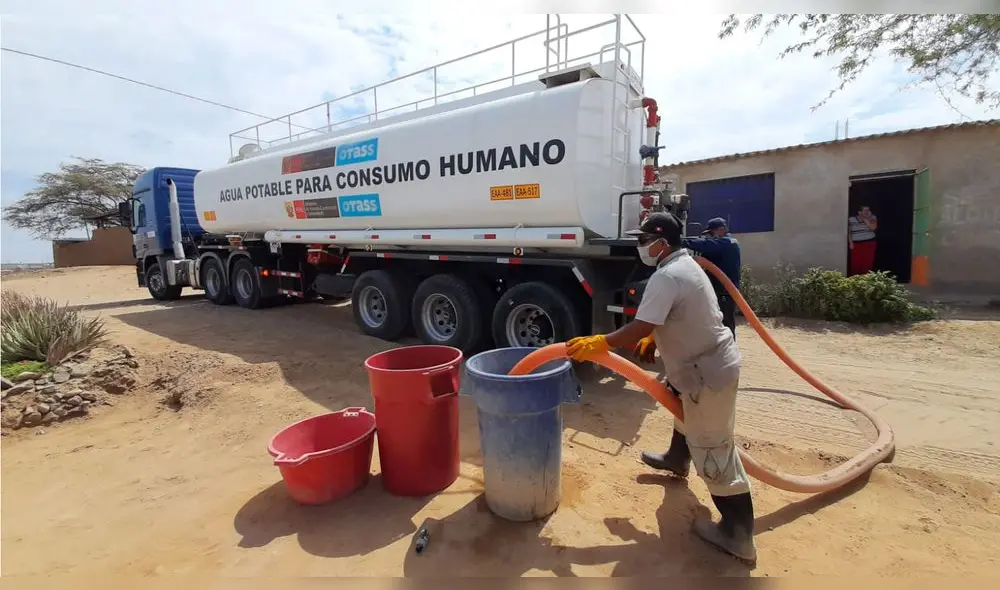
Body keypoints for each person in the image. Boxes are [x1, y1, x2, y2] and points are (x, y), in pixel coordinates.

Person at [564, 212, 756, 564]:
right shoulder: (684, 265)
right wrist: (656, 336)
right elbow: (675, 313)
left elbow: (637, 326)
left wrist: (601, 343)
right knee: (677, 398)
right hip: (699, 367)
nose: (640, 247)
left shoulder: (667, 276)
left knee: (714, 449)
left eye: (643, 240)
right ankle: (676, 459)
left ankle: (737, 534)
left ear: (661, 243)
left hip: (707, 374)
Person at [683, 217, 741, 339]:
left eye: (710, 234)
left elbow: (705, 245)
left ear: (721, 230)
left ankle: (729, 353)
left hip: (724, 292)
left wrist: (678, 241)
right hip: (719, 291)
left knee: (726, 324)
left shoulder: (727, 243)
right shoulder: (721, 245)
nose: (709, 237)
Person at [848, 205, 878, 276]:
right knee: (856, 262)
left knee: (868, 262)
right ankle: (855, 279)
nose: (867, 212)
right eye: (865, 210)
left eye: (868, 210)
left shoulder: (873, 218)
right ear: (859, 212)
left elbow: (873, 228)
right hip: (856, 243)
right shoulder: (851, 219)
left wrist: (866, 220)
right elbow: (849, 232)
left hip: (869, 242)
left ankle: (866, 279)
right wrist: (851, 243)